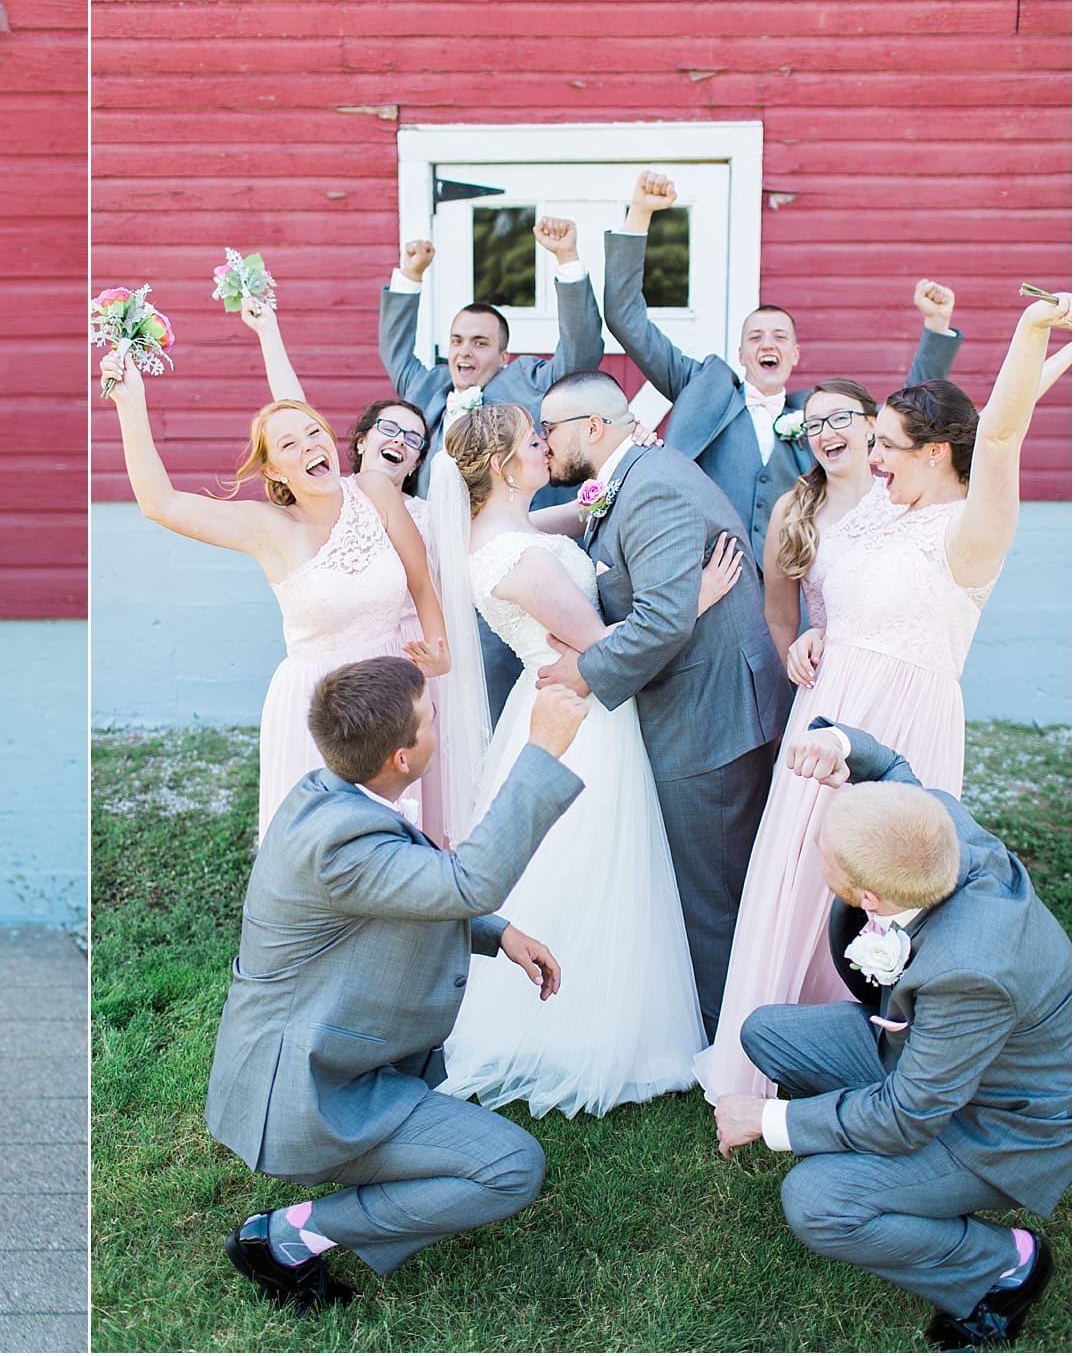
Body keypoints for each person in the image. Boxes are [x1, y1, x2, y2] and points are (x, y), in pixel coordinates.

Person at [697, 292, 1073, 1099]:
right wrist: (805, 634)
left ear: (937, 453)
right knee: (796, 871)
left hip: (902, 723)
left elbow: (998, 430)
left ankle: (868, 1056)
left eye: (888, 448)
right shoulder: (873, 511)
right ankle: (773, 1037)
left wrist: (1033, 332)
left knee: (876, 887)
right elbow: (826, 589)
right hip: (826, 707)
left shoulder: (971, 531)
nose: (871, 459)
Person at [205, 657, 591, 1311]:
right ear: (401, 757)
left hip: (325, 1063)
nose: (438, 724)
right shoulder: (338, 841)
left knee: (488, 1154)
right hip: (307, 1096)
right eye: (429, 719)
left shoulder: (329, 796)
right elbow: (465, 881)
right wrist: (542, 748)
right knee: (509, 1168)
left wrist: (496, 933)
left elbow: (405, 890)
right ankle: (286, 1238)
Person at [715, 720, 1070, 1352]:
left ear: (867, 895)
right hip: (932, 1054)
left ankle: (1005, 1265)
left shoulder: (970, 973)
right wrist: (841, 746)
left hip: (1001, 1122)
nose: (815, 848)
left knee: (816, 1200)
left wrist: (769, 1120)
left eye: (823, 850)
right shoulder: (937, 829)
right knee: (766, 1032)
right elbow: (893, 771)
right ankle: (869, 1152)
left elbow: (908, 1118)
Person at [434, 404, 738, 1116]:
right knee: (594, 861)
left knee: (563, 860)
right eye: (534, 441)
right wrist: (690, 599)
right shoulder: (518, 559)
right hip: (579, 716)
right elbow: (599, 644)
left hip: (559, 709)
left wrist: (615, 479)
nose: (546, 448)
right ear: (506, 465)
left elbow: (576, 512)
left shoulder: (506, 531)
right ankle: (581, 1032)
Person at [533, 370, 789, 1038]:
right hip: (697, 701)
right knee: (704, 879)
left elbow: (661, 623)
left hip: (708, 713)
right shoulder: (629, 479)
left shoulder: (650, 490)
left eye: (548, 429)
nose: (541, 444)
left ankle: (728, 1038)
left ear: (592, 427)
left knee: (710, 887)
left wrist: (580, 674)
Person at [101, 353, 448, 839]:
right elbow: (161, 503)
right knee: (325, 843)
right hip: (319, 701)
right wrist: (130, 402)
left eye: (314, 432)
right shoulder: (267, 528)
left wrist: (439, 650)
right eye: (289, 444)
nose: (309, 446)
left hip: (394, 682)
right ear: (276, 472)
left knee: (396, 834)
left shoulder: (374, 491)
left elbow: (420, 581)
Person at [604, 169, 962, 561]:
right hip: (708, 583)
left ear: (795, 355)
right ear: (741, 355)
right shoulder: (701, 385)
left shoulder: (822, 414)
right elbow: (627, 320)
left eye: (779, 337)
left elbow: (905, 414)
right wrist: (639, 213)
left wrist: (936, 324)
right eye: (755, 337)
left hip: (796, 585)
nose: (767, 344)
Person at [376, 219, 606, 723]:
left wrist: (568, 260)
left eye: (480, 343)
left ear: (503, 356)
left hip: (502, 567)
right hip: (432, 572)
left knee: (500, 690)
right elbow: (395, 351)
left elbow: (581, 352)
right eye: (457, 340)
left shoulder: (525, 381)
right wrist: (411, 275)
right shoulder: (428, 386)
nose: (465, 351)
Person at [759, 378, 884, 662]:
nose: (826, 433)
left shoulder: (901, 501)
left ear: (871, 427)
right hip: (829, 678)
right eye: (814, 424)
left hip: (893, 680)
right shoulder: (791, 511)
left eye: (840, 418)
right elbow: (780, 619)